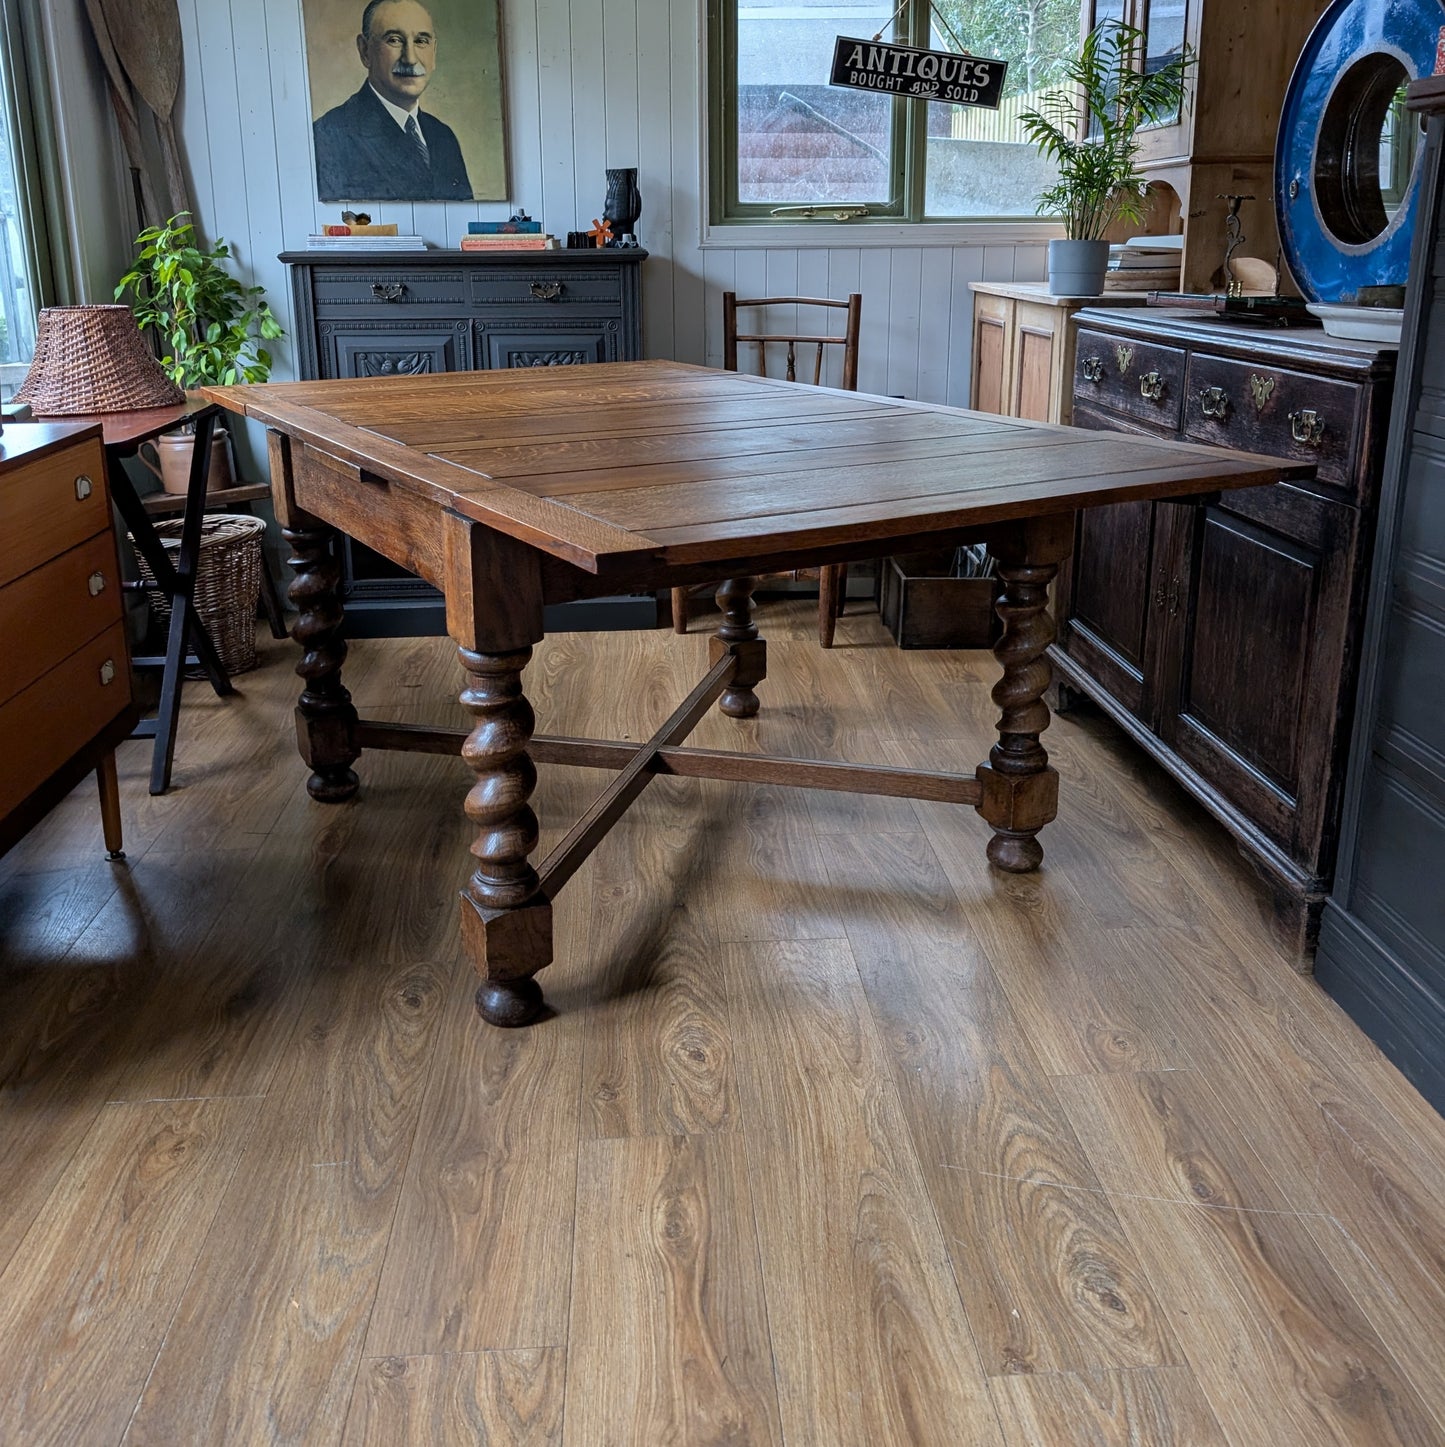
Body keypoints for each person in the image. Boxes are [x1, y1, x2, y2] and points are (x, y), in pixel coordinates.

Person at [313, 0, 472, 201]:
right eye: (395, 40)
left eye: (421, 41)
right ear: (365, 51)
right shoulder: (330, 136)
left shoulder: (443, 137)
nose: (411, 59)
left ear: (434, 52)